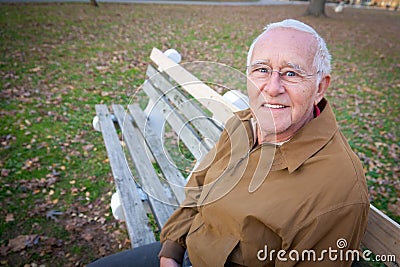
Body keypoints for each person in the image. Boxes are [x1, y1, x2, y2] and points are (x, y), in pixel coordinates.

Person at [89, 19, 369, 267]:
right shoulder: (244, 124)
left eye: (291, 73)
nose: (272, 88)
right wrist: (171, 252)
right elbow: (198, 187)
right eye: (261, 70)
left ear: (320, 87)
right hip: (186, 251)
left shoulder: (337, 190)